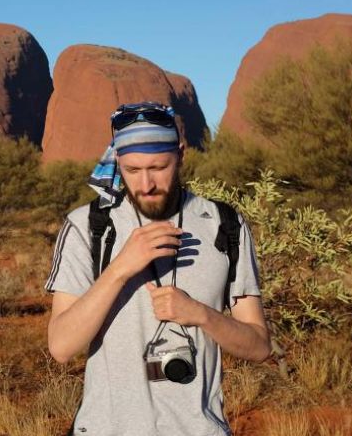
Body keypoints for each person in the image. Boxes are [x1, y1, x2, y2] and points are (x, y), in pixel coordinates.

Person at [45, 101, 271, 436]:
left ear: (181, 153)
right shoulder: (87, 227)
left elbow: (259, 345)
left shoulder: (224, 224)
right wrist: (120, 268)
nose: (147, 183)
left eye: (158, 167)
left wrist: (200, 314)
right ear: (117, 161)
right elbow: (61, 347)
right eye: (133, 171)